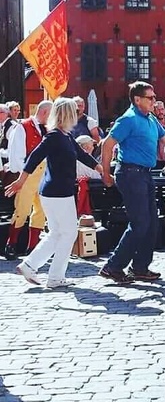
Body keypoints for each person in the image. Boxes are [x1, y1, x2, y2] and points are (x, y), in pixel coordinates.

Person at [99, 82, 165, 284]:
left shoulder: (150, 118)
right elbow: (107, 144)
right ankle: (113, 266)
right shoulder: (128, 119)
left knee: (152, 222)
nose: (154, 101)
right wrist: (105, 173)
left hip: (144, 174)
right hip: (130, 174)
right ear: (137, 100)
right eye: (151, 98)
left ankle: (140, 267)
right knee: (140, 223)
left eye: (155, 97)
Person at [6, 97, 102, 288]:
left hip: (57, 192)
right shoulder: (54, 136)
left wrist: (102, 170)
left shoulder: (64, 136)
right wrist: (20, 181)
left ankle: (30, 265)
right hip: (57, 193)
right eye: (73, 112)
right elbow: (34, 158)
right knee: (69, 233)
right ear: (66, 114)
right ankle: (55, 277)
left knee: (58, 233)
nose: (76, 115)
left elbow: (83, 155)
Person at [5, 100, 52, 260]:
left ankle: (32, 247)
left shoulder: (48, 129)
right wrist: (22, 174)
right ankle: (11, 244)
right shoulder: (23, 127)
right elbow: (16, 153)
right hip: (28, 173)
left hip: (45, 173)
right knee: (22, 210)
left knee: (41, 211)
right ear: (45, 112)